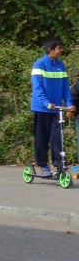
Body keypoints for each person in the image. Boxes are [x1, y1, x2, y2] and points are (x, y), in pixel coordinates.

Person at [30, 36, 74, 177]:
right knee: (42, 137)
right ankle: (42, 165)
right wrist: (46, 103)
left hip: (56, 109)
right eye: (59, 48)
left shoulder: (61, 65)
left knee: (57, 137)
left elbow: (66, 88)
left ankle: (59, 165)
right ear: (51, 50)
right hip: (42, 108)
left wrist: (70, 104)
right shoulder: (39, 65)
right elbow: (37, 88)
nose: (61, 50)